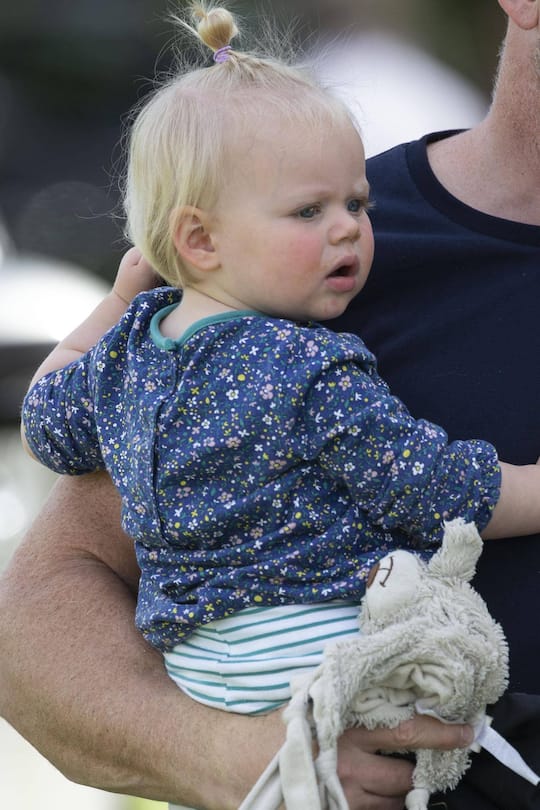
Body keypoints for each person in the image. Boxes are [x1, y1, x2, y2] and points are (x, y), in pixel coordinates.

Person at [1, 0, 538, 808]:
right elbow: (430, 484)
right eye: (311, 212)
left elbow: (47, 414)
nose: (349, 232)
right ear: (201, 241)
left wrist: (118, 304)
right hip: (337, 689)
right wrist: (228, 752)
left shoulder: (140, 350)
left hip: (205, 656)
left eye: (354, 206)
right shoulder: (294, 343)